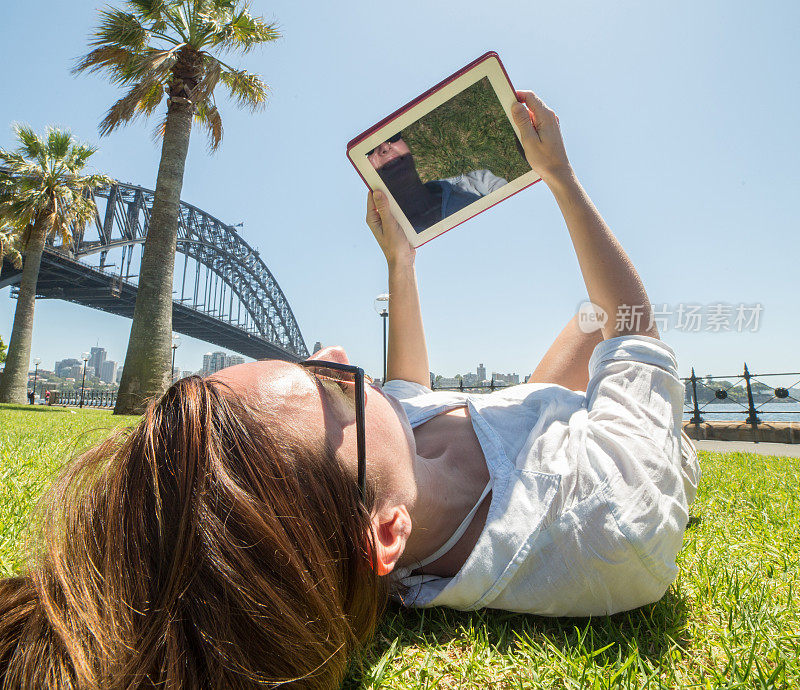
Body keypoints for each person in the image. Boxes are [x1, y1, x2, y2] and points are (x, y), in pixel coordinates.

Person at [0, 90, 699, 688]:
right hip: (589, 442)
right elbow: (635, 332)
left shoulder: (380, 484)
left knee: (546, 353)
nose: (337, 353)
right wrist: (561, 177)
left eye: (310, 364)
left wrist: (402, 261)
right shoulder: (614, 525)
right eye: (331, 386)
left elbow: (406, 391)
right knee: (603, 315)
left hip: (519, 420)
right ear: (386, 530)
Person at [368, 133, 507, 232]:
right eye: (368, 149)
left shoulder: (480, 183)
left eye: (391, 136)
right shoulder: (396, 241)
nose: (385, 147)